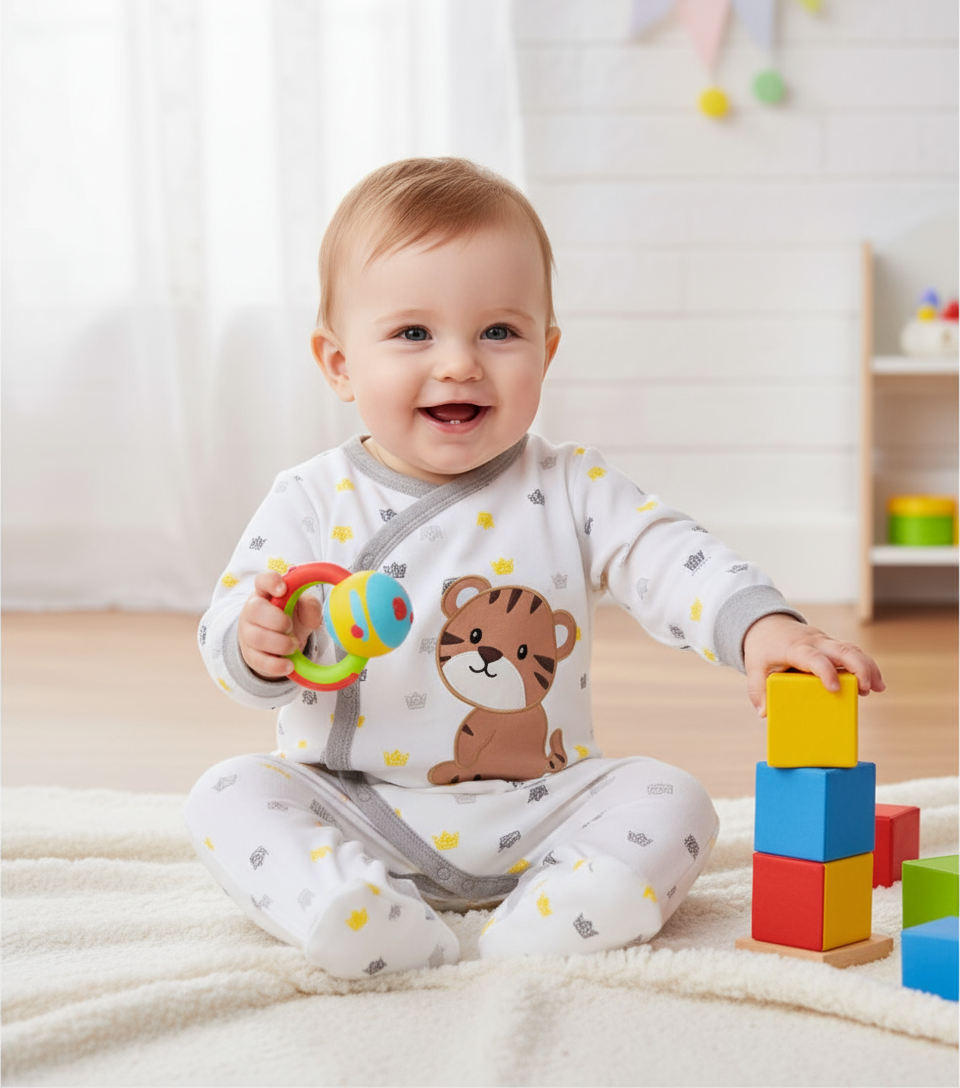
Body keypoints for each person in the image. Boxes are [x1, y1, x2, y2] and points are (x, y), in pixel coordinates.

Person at [186, 157, 884, 980]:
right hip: (359, 803)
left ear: (545, 353)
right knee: (228, 795)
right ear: (339, 363)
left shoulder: (568, 485)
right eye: (414, 332)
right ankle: (351, 907)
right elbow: (229, 633)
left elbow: (667, 552)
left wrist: (762, 626)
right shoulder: (309, 498)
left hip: (541, 805)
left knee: (678, 799)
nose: (458, 363)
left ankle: (566, 909)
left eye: (498, 331)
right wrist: (258, 640)